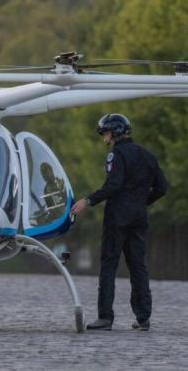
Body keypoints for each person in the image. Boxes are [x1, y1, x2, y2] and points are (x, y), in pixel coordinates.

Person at [71, 113, 168, 331]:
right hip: (139, 217)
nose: (103, 137)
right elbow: (162, 187)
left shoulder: (116, 155)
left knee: (109, 265)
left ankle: (105, 318)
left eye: (105, 132)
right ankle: (143, 318)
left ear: (114, 132)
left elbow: (113, 185)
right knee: (138, 266)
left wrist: (88, 200)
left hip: (117, 218)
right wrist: (141, 202)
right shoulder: (148, 155)